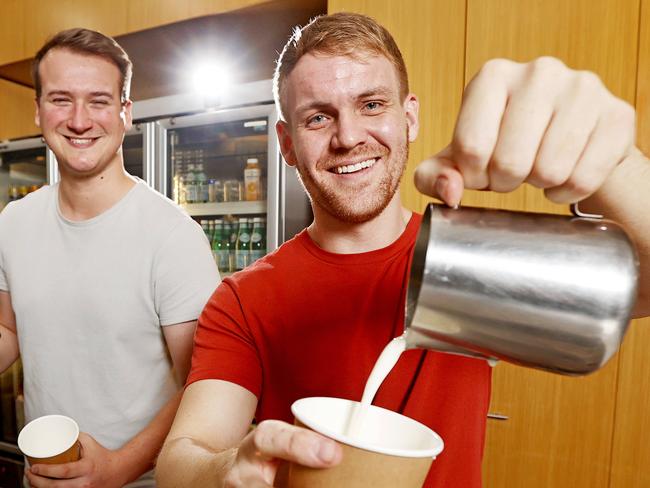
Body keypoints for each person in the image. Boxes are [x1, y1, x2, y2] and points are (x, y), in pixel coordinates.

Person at [155, 12, 650, 488]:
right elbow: (182, 460)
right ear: (286, 143)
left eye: (371, 104)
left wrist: (618, 168)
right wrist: (225, 473)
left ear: (408, 117)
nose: (348, 137)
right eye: (318, 117)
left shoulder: (467, 260)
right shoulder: (242, 301)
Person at [0, 28, 219, 487]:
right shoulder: (13, 222)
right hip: (41, 476)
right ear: (38, 110)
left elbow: (202, 387)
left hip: (140, 481)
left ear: (126, 113)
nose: (80, 120)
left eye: (99, 101)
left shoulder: (173, 237)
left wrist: (117, 468)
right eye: (61, 99)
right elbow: (8, 330)